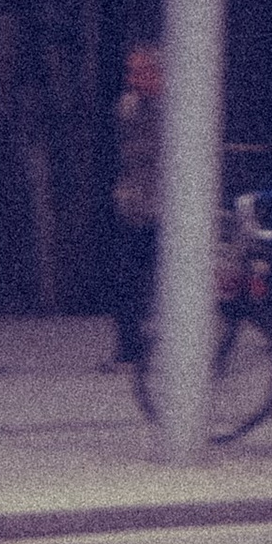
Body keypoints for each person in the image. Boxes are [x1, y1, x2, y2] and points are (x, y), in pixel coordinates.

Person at [109, 40, 162, 370]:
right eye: (131, 72)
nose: (134, 78)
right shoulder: (128, 107)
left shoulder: (177, 111)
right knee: (128, 280)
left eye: (142, 71)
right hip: (135, 206)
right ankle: (130, 349)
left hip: (165, 208)